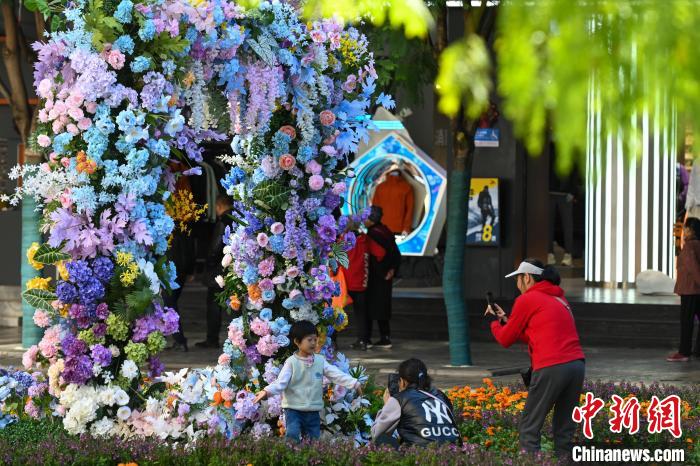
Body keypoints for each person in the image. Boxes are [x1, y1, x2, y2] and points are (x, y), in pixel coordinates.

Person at [485, 259, 585, 458]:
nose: (517, 285)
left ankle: (531, 462)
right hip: (576, 366)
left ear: (527, 278)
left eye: (518, 279)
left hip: (552, 366)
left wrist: (493, 322)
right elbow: (536, 334)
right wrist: (506, 320)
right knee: (564, 430)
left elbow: (505, 339)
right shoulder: (560, 299)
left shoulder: (527, 299)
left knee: (529, 428)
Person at [253, 320, 363, 442]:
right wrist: (266, 391)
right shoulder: (291, 362)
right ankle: (290, 458)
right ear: (297, 342)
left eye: (315, 340)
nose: (313, 343)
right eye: (309, 340)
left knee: (313, 437)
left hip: (313, 409)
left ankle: (311, 460)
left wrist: (354, 383)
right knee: (292, 435)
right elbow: (281, 382)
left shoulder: (320, 361)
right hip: (293, 409)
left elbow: (335, 374)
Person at [371, 358, 459, 447]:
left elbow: (376, 433)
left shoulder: (399, 399)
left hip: (421, 455)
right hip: (454, 451)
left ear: (402, 382)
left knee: (381, 438)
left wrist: (387, 406)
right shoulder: (440, 396)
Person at [195, 194, 234, 349]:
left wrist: (209, 262)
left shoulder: (223, 221)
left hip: (219, 268)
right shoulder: (236, 218)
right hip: (231, 267)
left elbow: (215, 246)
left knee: (214, 304)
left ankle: (212, 338)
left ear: (219, 206)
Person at [343, 222, 386, 351]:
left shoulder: (343, 241)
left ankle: (332, 341)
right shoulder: (366, 240)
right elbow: (381, 253)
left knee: (335, 311)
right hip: (362, 282)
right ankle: (363, 341)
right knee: (361, 314)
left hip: (345, 282)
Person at [365, 206, 401, 348]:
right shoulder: (386, 230)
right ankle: (385, 336)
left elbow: (375, 257)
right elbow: (396, 253)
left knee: (372, 307)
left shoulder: (373, 234)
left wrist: (383, 273)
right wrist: (392, 269)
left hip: (376, 277)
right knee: (383, 307)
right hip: (386, 276)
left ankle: (368, 338)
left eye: (365, 217)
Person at [667, 217, 700, 362]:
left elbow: (692, 268)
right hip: (696, 290)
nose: (684, 231)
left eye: (685, 228)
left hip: (689, 290)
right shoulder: (698, 244)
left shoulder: (689, 246)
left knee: (686, 322)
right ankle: (697, 351)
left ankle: (684, 352)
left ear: (691, 230)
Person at [164, 229, 195, 351]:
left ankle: (180, 340)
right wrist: (190, 270)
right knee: (170, 305)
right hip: (179, 272)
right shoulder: (184, 229)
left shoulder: (169, 231)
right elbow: (190, 251)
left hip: (170, 272)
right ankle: (177, 339)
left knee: (169, 306)